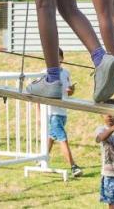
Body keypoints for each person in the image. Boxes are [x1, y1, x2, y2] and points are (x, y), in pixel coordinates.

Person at [47, 47, 82, 178]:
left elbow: (69, 92)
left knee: (51, 137)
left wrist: (71, 90)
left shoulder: (66, 73)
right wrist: (39, 114)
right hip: (52, 112)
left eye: (57, 56)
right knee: (63, 139)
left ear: (62, 58)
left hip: (63, 111)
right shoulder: (45, 72)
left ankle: (41, 161)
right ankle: (73, 166)